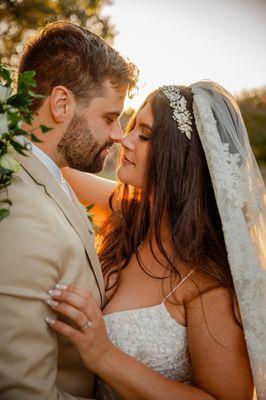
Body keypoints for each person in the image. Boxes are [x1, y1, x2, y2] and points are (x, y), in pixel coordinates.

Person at [47, 81, 266, 400]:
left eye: (144, 135)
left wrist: (106, 357)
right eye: (132, 127)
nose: (124, 139)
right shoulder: (132, 216)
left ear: (181, 160)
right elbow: (55, 169)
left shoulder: (207, 280)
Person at [0, 21, 138, 400]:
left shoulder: (50, 175)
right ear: (62, 104)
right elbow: (23, 390)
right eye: (110, 117)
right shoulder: (19, 215)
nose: (118, 134)